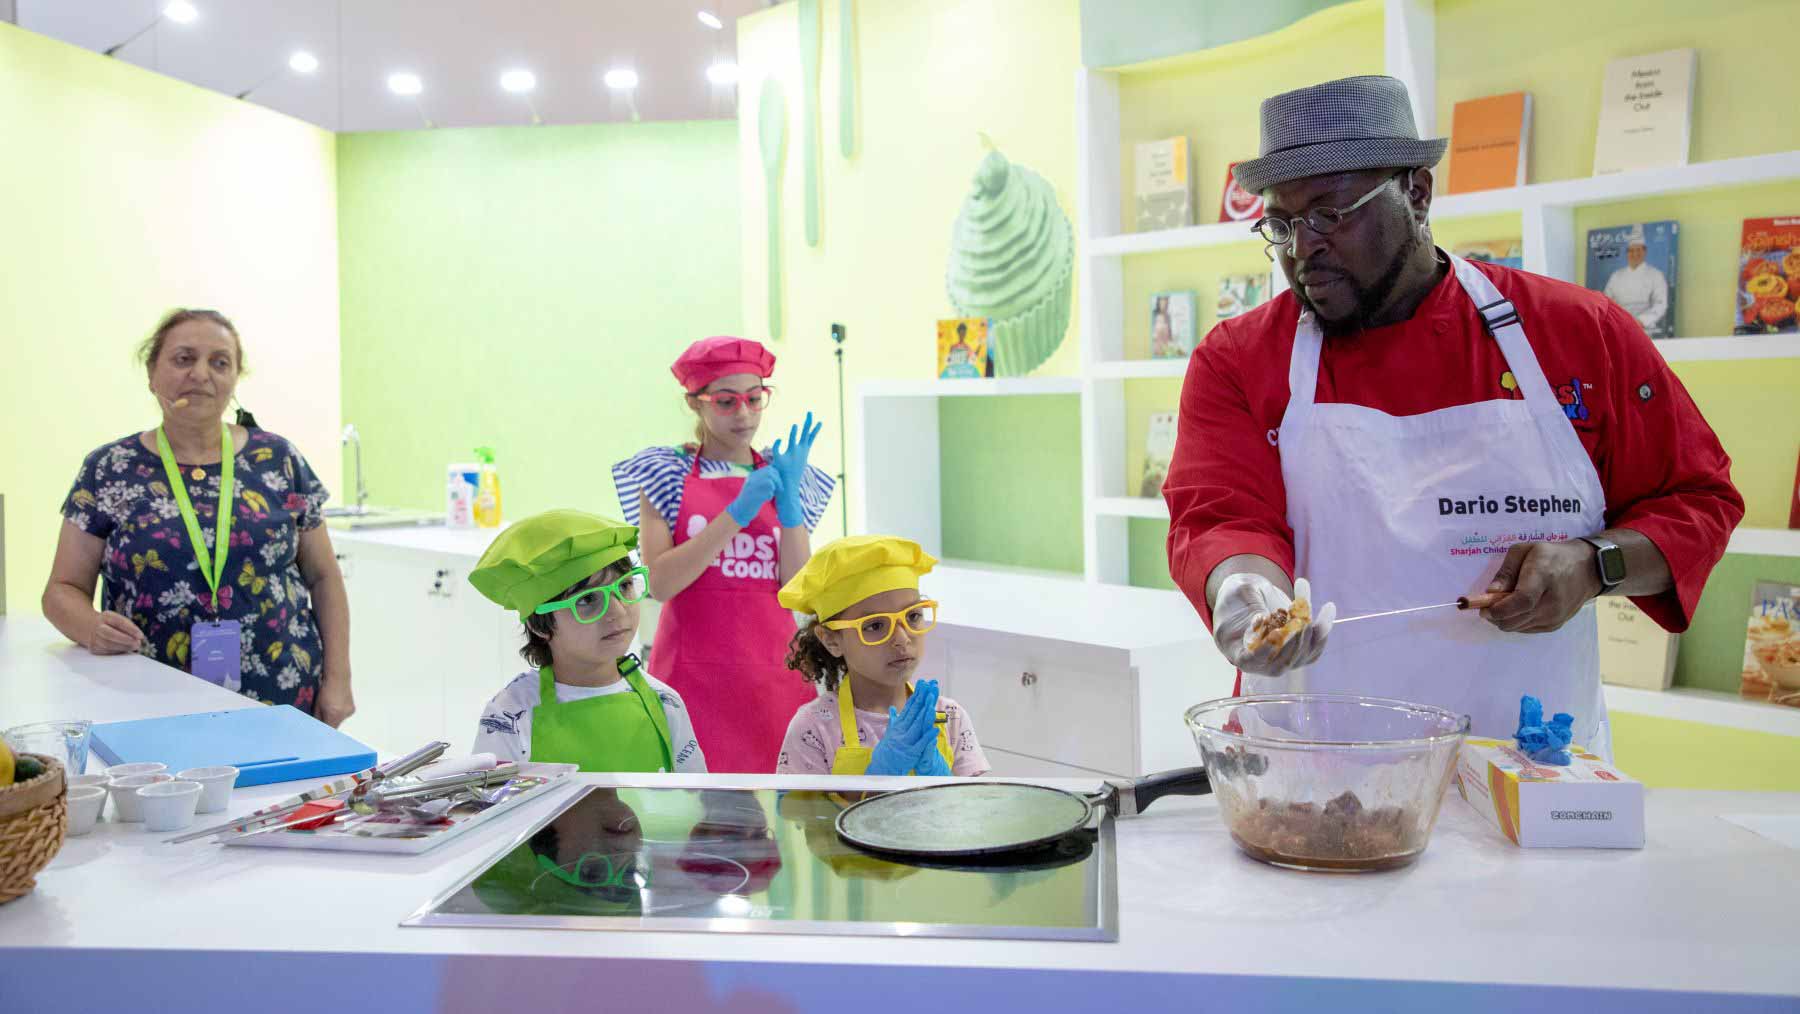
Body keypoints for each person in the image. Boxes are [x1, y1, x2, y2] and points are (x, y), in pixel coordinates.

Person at [1163, 76, 1743, 755]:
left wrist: (1593, 564)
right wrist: (1242, 587)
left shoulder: (1579, 334)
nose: (1302, 248)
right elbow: (1222, 517)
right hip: (1315, 773)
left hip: (1532, 775)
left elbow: (1697, 500)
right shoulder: (1239, 360)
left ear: (1417, 191)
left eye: (1330, 214)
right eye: (1281, 224)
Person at [43, 309, 353, 723]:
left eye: (219, 362)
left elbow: (323, 577)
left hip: (282, 692)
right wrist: (90, 626)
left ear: (235, 380)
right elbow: (62, 590)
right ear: (152, 374)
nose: (201, 373)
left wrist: (339, 680)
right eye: (184, 359)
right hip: (146, 697)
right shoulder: (109, 468)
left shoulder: (278, 460)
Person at [611, 336, 834, 773]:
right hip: (693, 683)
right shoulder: (665, 473)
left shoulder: (785, 471)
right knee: (696, 825)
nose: (745, 414)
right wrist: (736, 514)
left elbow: (797, 590)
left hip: (774, 678)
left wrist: (789, 506)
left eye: (755, 398)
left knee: (781, 820)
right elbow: (661, 582)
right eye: (726, 402)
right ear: (695, 403)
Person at [467, 509, 704, 773]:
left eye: (624, 586)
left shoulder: (665, 702)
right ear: (539, 624)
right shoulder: (511, 714)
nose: (618, 611)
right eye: (587, 599)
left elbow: (695, 802)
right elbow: (490, 809)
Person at [775, 535, 988, 776]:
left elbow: (977, 810)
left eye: (912, 616)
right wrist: (880, 776)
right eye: (875, 625)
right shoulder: (814, 728)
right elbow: (800, 813)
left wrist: (941, 781)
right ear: (832, 640)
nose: (902, 638)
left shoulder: (949, 718)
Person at [1601, 225, 1671, 337]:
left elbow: (1661, 304)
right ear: (1627, 253)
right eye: (1631, 250)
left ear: (1644, 252)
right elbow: (1606, 303)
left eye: (1638, 250)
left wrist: (1641, 321)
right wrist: (1618, 322)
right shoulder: (1616, 276)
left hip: (1646, 331)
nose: (1635, 254)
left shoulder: (1656, 275)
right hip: (1619, 328)